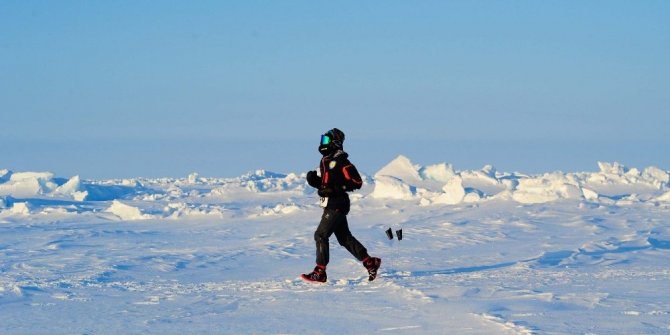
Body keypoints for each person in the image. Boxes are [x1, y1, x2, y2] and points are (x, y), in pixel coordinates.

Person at [301, 128, 381, 283]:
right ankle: (370, 262)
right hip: (331, 203)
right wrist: (315, 182)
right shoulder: (326, 161)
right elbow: (327, 185)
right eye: (322, 140)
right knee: (344, 238)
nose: (322, 143)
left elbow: (357, 182)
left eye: (326, 140)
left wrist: (336, 189)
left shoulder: (342, 161)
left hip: (338, 203)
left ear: (335, 142)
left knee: (320, 235)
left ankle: (320, 272)